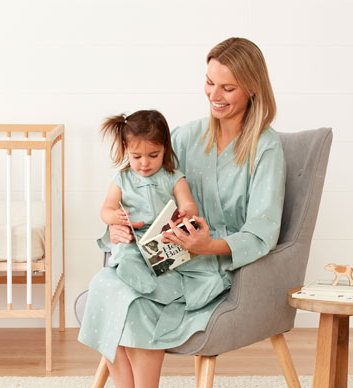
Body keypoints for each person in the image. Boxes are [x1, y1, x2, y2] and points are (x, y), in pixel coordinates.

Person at [78, 37, 286, 388]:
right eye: (208, 82)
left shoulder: (266, 149)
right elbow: (140, 184)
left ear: (252, 88)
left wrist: (207, 246)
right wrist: (118, 225)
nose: (214, 95)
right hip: (161, 258)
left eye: (227, 87)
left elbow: (262, 232)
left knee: (136, 307)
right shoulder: (186, 137)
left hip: (213, 268)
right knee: (103, 284)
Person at [97, 110, 198, 294]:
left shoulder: (174, 178)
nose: (144, 163)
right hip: (135, 238)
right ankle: (139, 281)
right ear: (126, 148)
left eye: (153, 155)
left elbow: (189, 205)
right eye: (137, 156)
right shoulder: (121, 180)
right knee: (126, 255)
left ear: (165, 148)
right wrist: (115, 216)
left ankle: (171, 283)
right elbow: (106, 210)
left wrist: (187, 213)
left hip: (165, 236)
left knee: (189, 258)